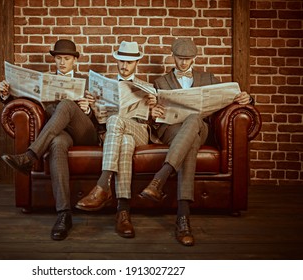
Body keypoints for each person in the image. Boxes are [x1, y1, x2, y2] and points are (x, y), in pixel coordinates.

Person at [139, 38, 253, 246]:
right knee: (189, 141)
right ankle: (183, 218)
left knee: (193, 120)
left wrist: (246, 98)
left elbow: (231, 96)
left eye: (188, 59)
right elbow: (154, 117)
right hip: (170, 130)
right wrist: (152, 111)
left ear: (195, 58)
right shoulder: (160, 82)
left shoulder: (208, 78)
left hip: (200, 129)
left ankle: (160, 179)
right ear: (172, 57)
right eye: (180, 59)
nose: (184, 64)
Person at [0, 39, 100, 241]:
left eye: (67, 59)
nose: (62, 63)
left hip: (85, 132)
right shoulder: (44, 81)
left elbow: (102, 118)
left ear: (74, 61)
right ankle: (64, 214)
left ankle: (29, 156)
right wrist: (6, 95)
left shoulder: (88, 82)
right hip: (61, 134)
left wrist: (88, 108)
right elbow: (23, 100)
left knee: (65, 105)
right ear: (54, 60)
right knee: (56, 144)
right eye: (59, 58)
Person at [75, 41, 157, 238]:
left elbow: (157, 121)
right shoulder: (104, 86)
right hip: (115, 133)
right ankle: (123, 211)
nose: (124, 66)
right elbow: (95, 121)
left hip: (139, 130)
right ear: (116, 61)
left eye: (129, 62)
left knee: (118, 122)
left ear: (137, 62)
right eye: (121, 61)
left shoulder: (147, 87)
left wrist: (154, 109)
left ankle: (103, 186)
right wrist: (90, 107)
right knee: (124, 141)